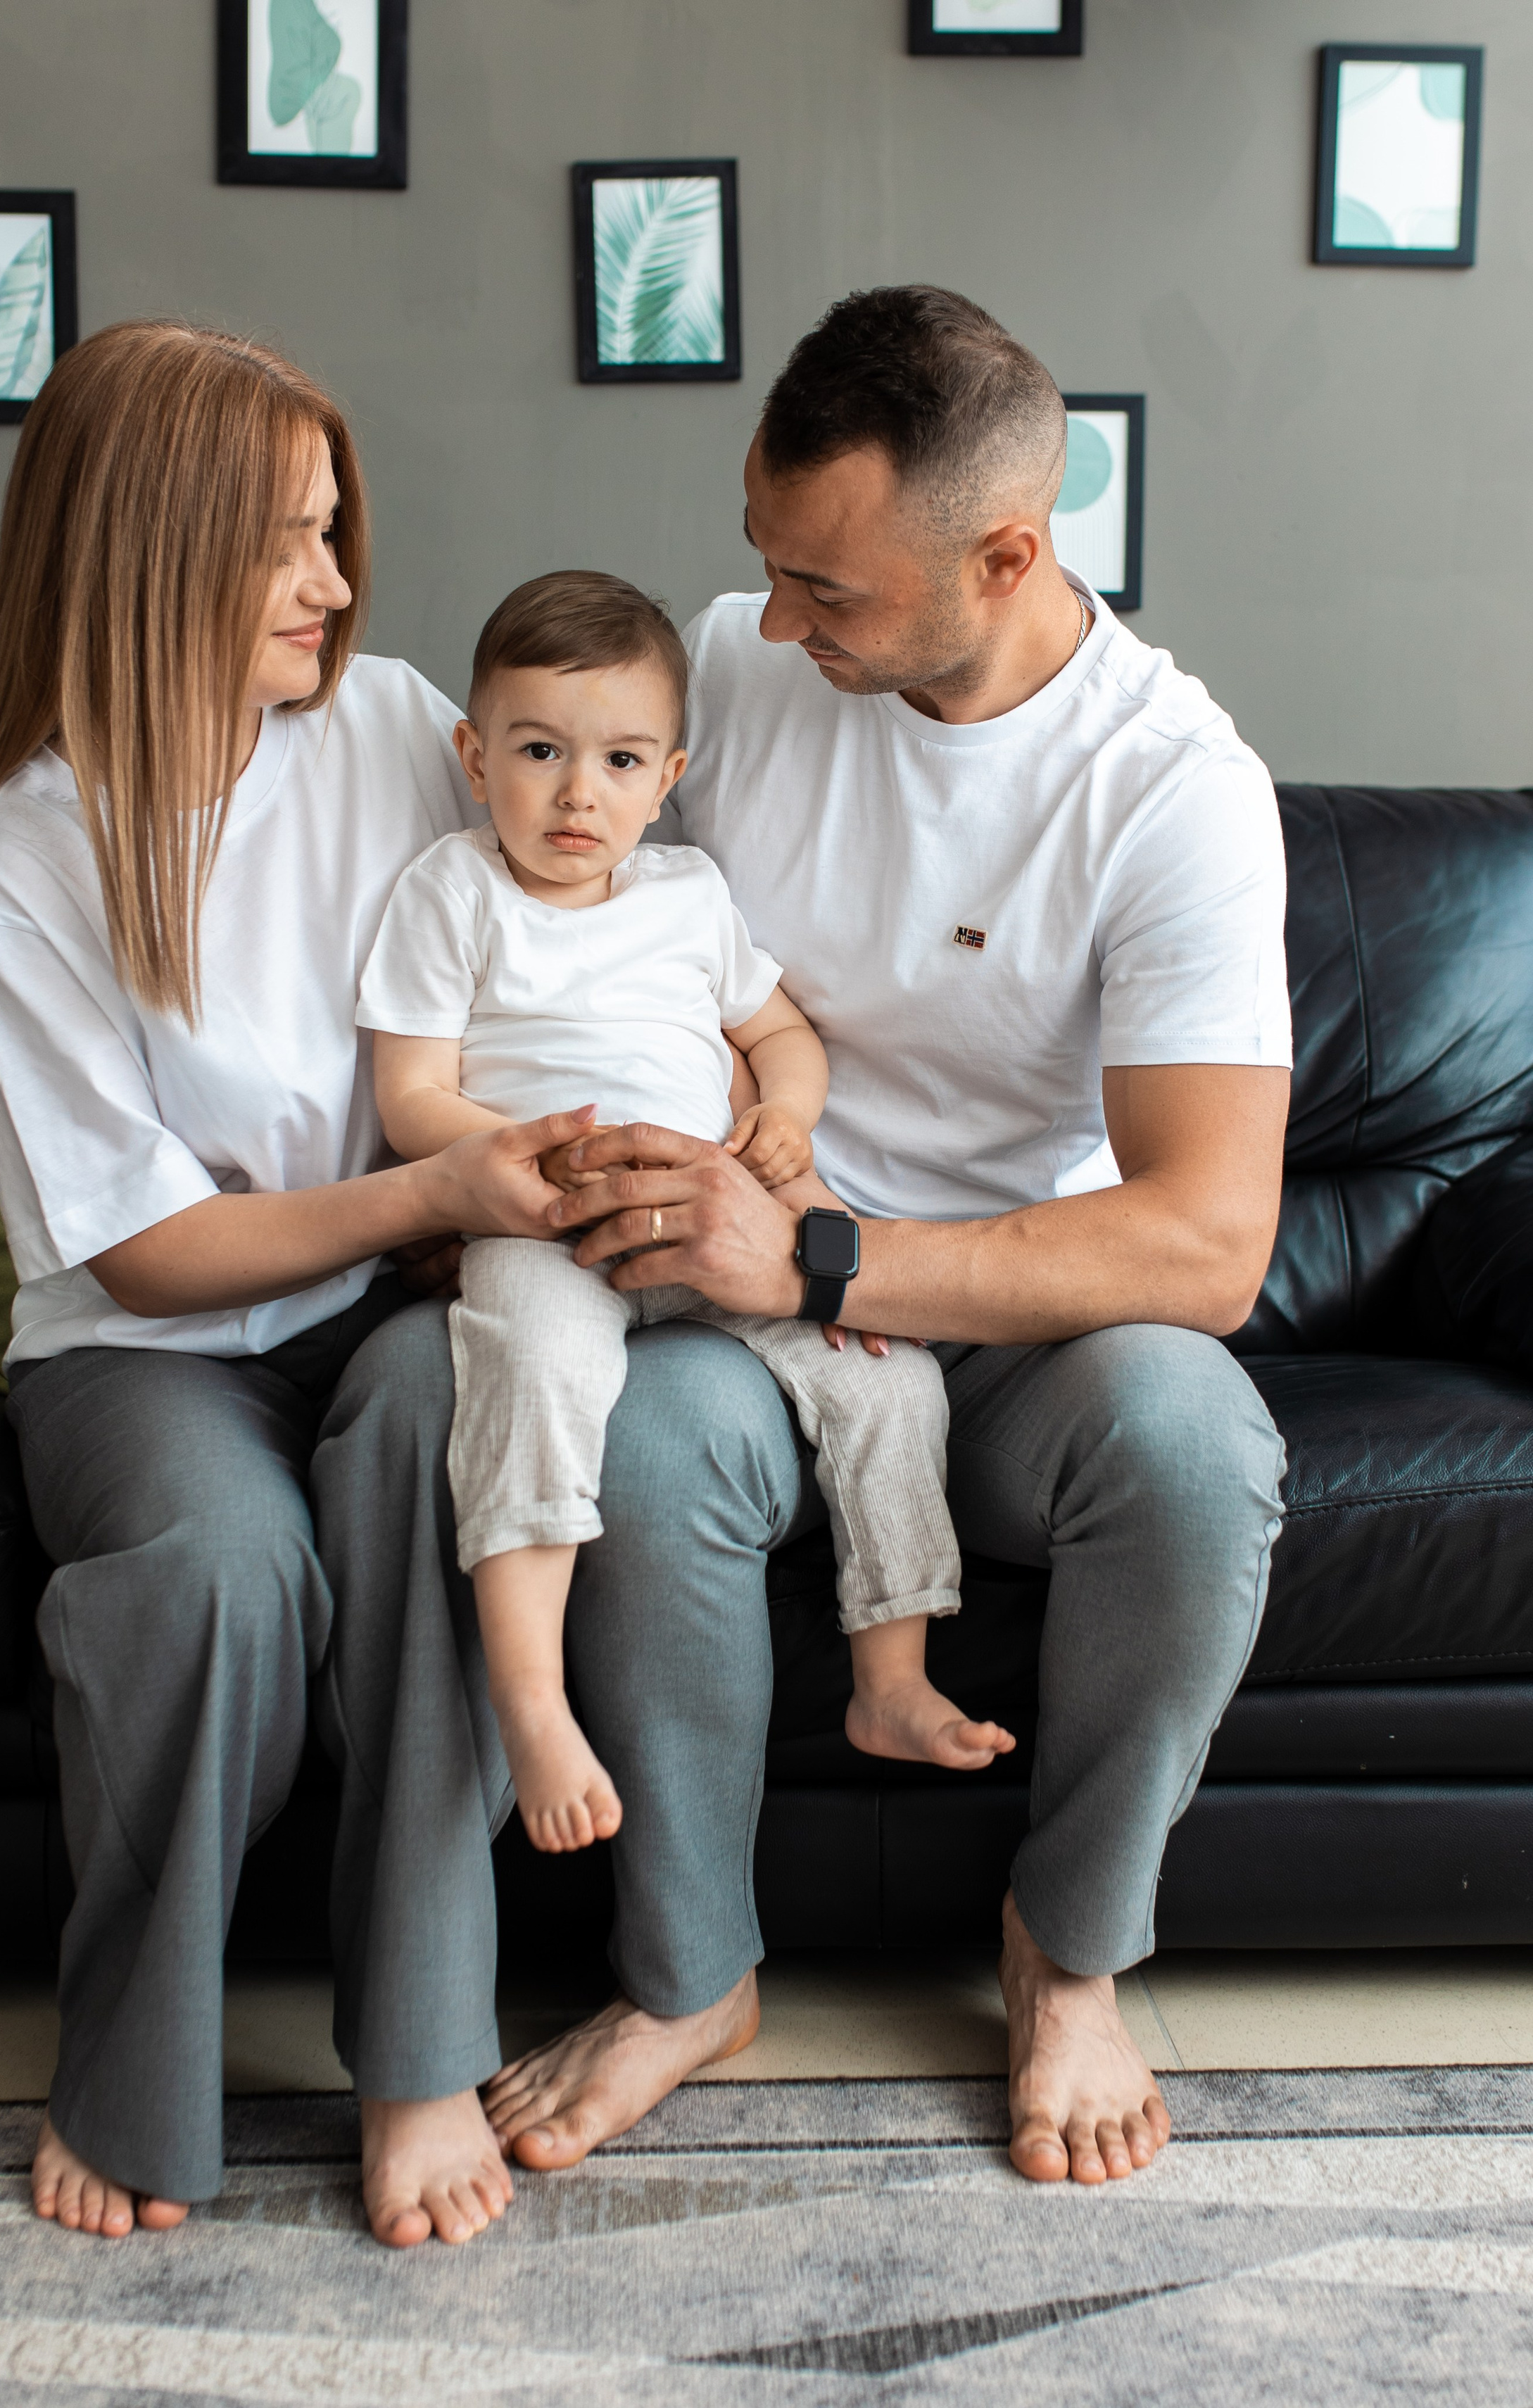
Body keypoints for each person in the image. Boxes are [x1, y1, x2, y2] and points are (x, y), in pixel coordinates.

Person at [479, 288, 1292, 2186]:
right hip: (740, 1323)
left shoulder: (1172, 790)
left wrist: (827, 1259)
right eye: (766, 565)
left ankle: (1071, 1947)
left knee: (1196, 1443)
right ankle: (692, 1977)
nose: (771, 625)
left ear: (1006, 554)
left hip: (1012, 1322)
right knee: (650, 1437)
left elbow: (1207, 1242)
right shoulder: (727, 671)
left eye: (825, 590)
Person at [0, 320, 650, 2250]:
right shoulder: (20, 859)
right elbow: (145, 1246)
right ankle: (130, 2061)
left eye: (338, 532)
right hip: (145, 1346)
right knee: (223, 1568)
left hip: (385, 1308)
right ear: (148, 546)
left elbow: (580, 893)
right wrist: (419, 1183)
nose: (337, 581)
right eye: (289, 542)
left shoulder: (403, 725)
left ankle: (420, 2047)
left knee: (443, 1435)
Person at [355, 569, 1014, 1854]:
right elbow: (410, 1097)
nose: (576, 792)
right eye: (538, 751)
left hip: (715, 1224)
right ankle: (534, 1701)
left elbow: (779, 1032)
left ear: (669, 776)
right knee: (530, 1377)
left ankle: (889, 1678)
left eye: (619, 759)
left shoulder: (687, 894)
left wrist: (788, 1118)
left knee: (888, 1374)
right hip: (545, 1228)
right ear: (473, 754)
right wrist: (517, 1159)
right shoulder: (454, 892)